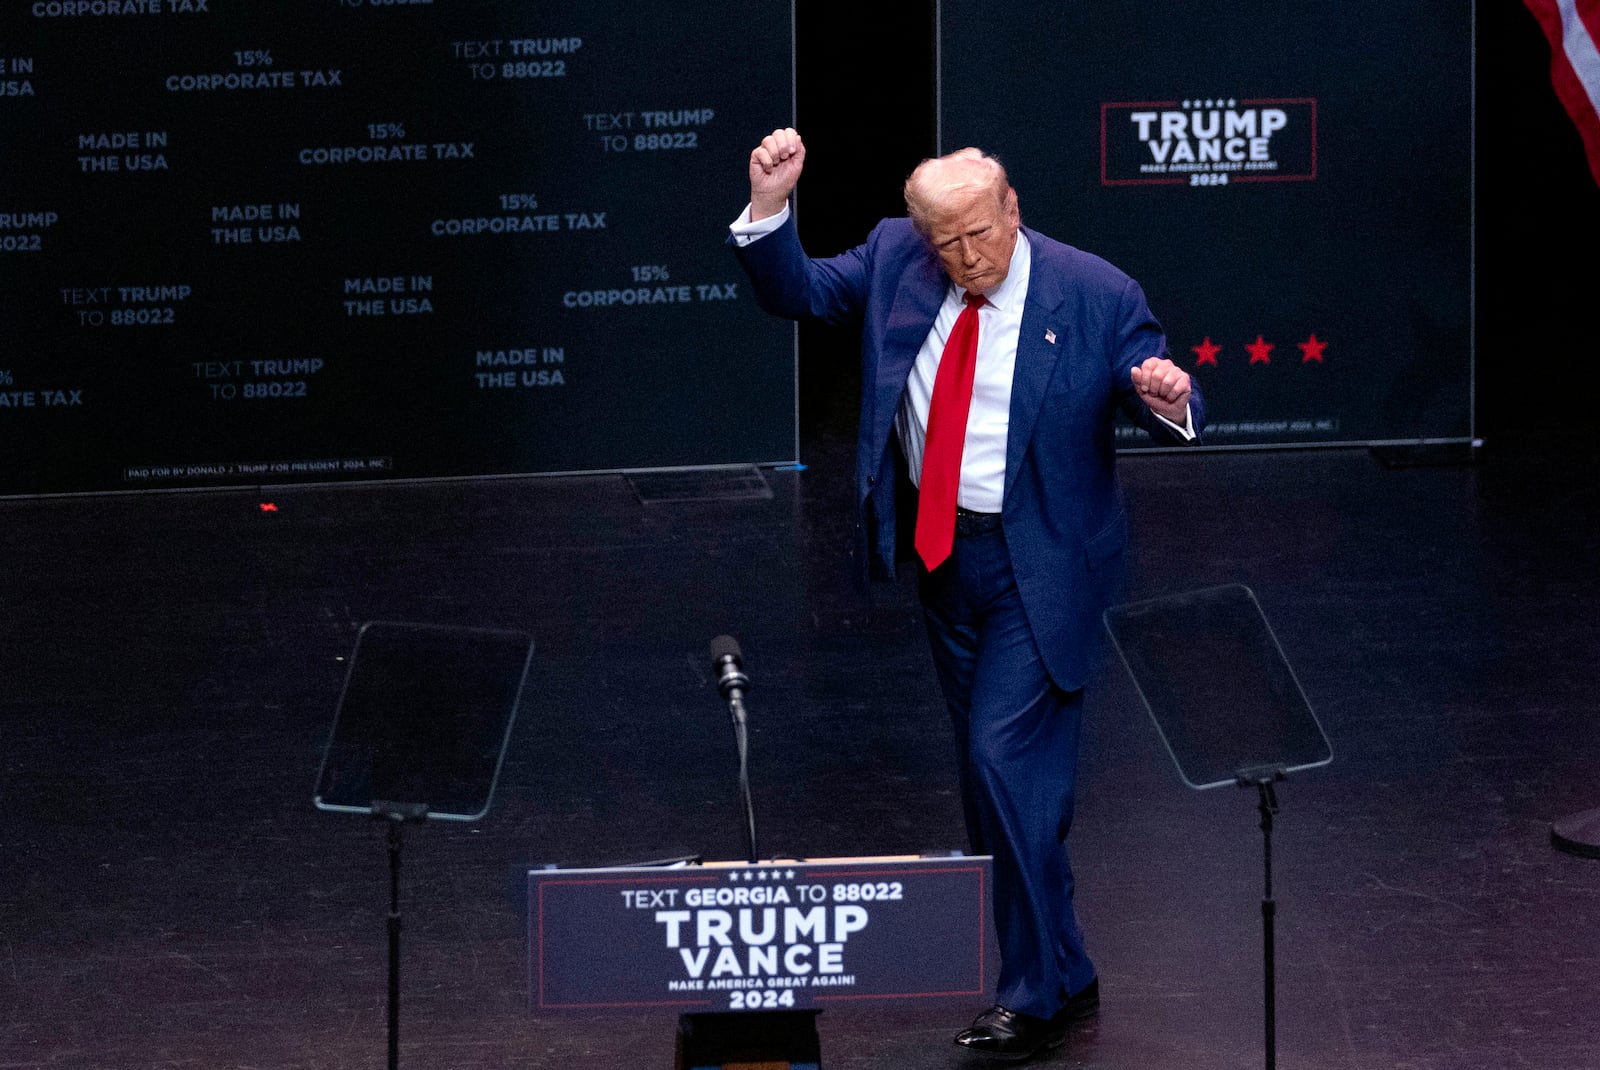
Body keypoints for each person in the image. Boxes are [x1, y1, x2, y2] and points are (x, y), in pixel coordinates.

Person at [728, 127, 1204, 1060]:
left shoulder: (1095, 292)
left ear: (1013, 209)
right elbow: (797, 293)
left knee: (998, 759)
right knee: (997, 788)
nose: (966, 257)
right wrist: (770, 204)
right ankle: (1063, 962)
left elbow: (1157, 388)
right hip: (946, 561)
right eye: (946, 242)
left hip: (1046, 565)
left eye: (980, 235)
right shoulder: (898, 254)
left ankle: (1032, 995)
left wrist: (1166, 395)